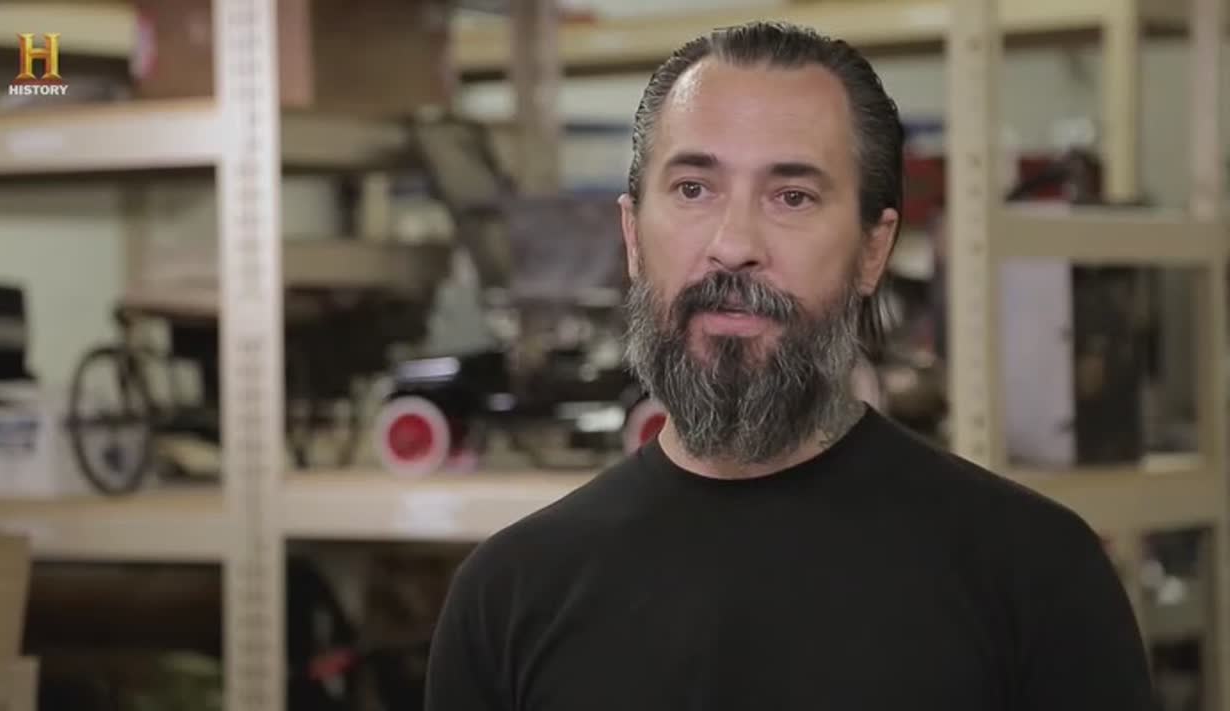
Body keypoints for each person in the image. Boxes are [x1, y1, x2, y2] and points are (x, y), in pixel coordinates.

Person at [425, 20, 1155, 711]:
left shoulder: (1034, 577)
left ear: (873, 249)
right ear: (633, 235)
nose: (733, 244)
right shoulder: (508, 598)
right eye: (693, 189)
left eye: (793, 196)